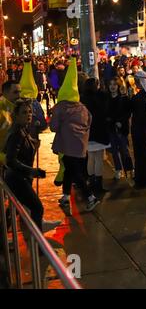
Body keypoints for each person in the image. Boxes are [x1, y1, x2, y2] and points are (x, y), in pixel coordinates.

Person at [50, 57, 100, 212]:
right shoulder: (82, 108)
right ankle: (65, 196)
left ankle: (90, 197)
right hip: (80, 146)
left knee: (76, 173)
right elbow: (89, 122)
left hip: (68, 145)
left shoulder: (60, 107)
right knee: (69, 169)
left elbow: (53, 127)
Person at [4, 99, 60, 232]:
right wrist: (32, 171)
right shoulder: (17, 133)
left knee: (14, 211)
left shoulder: (22, 130)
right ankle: (38, 241)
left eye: (30, 112)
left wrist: (33, 143)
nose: (29, 115)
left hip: (20, 178)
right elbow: (11, 160)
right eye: (24, 112)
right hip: (18, 179)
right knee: (37, 208)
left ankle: (3, 238)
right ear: (15, 115)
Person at [83, 78, 111, 193]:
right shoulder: (101, 96)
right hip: (100, 131)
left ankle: (91, 182)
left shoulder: (83, 98)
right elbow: (106, 110)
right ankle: (98, 184)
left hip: (88, 131)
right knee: (99, 158)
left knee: (91, 157)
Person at [108, 78, 134, 180]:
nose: (112, 86)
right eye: (110, 84)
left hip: (121, 128)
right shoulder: (107, 99)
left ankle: (129, 169)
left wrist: (121, 121)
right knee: (114, 150)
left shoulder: (124, 98)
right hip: (111, 128)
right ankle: (118, 169)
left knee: (124, 150)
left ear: (118, 86)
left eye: (115, 84)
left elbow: (128, 113)